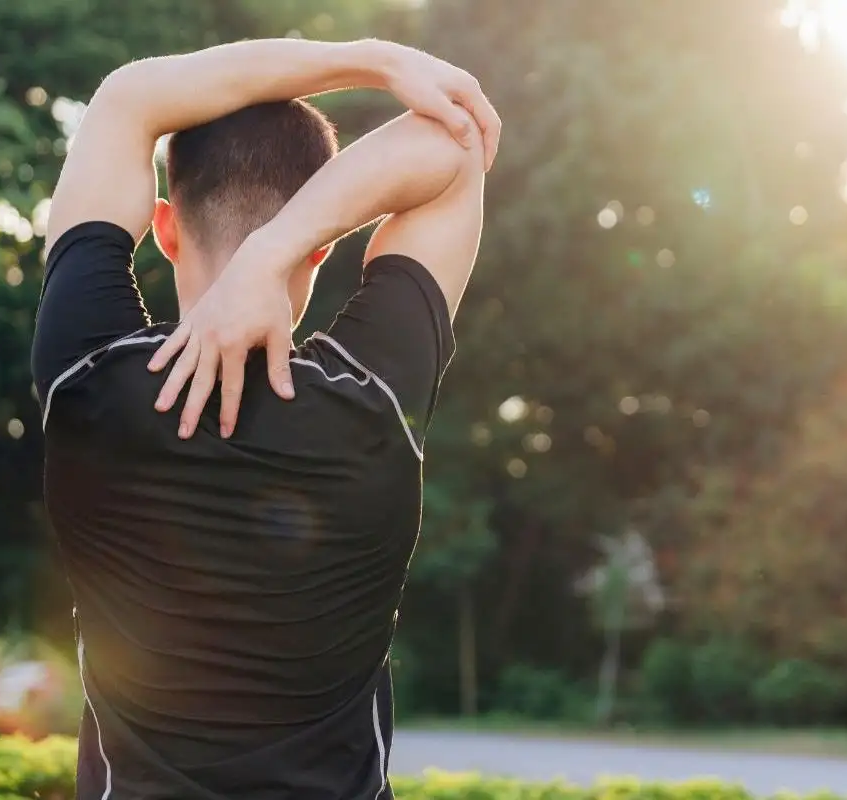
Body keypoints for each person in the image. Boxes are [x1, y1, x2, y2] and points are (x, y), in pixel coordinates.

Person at [30, 37, 498, 800]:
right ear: (324, 248)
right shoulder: (372, 398)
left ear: (166, 226)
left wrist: (368, 59)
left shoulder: (88, 376)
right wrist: (274, 249)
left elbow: (127, 98)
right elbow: (453, 144)